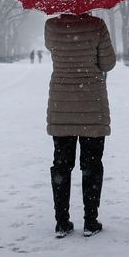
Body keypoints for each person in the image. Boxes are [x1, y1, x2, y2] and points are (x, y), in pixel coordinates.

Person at [44, 12, 116, 238]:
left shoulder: (51, 26)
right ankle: (90, 221)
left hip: (62, 105)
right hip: (91, 105)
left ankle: (62, 222)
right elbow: (108, 63)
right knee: (92, 164)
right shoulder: (97, 25)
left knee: (62, 164)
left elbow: (54, 51)